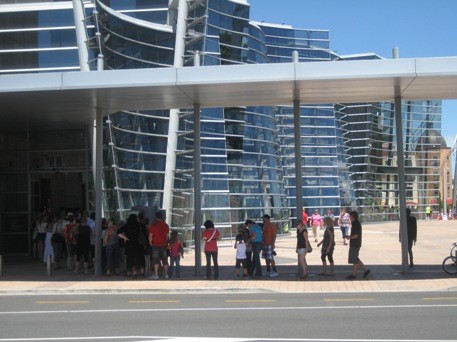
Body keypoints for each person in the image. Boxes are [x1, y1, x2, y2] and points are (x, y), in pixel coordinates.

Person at [345, 211, 370, 280]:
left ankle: (354, 274)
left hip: (355, 244)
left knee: (354, 259)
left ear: (353, 217)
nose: (349, 218)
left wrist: (349, 237)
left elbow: (356, 235)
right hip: (356, 244)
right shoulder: (355, 223)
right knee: (355, 258)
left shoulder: (356, 224)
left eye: (350, 216)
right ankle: (365, 270)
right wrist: (349, 236)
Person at [117, 213, 143, 279]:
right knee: (136, 258)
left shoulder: (127, 225)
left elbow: (118, 232)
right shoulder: (138, 225)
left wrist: (124, 237)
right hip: (137, 244)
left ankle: (130, 272)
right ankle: (136, 272)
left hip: (129, 243)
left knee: (130, 258)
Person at [148, 211, 170, 279]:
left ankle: (156, 274)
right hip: (163, 245)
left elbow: (150, 235)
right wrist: (165, 242)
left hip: (155, 244)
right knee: (165, 260)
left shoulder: (153, 225)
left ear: (155, 217)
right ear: (162, 217)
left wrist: (150, 242)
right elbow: (167, 235)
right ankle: (166, 274)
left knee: (156, 260)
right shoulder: (166, 225)